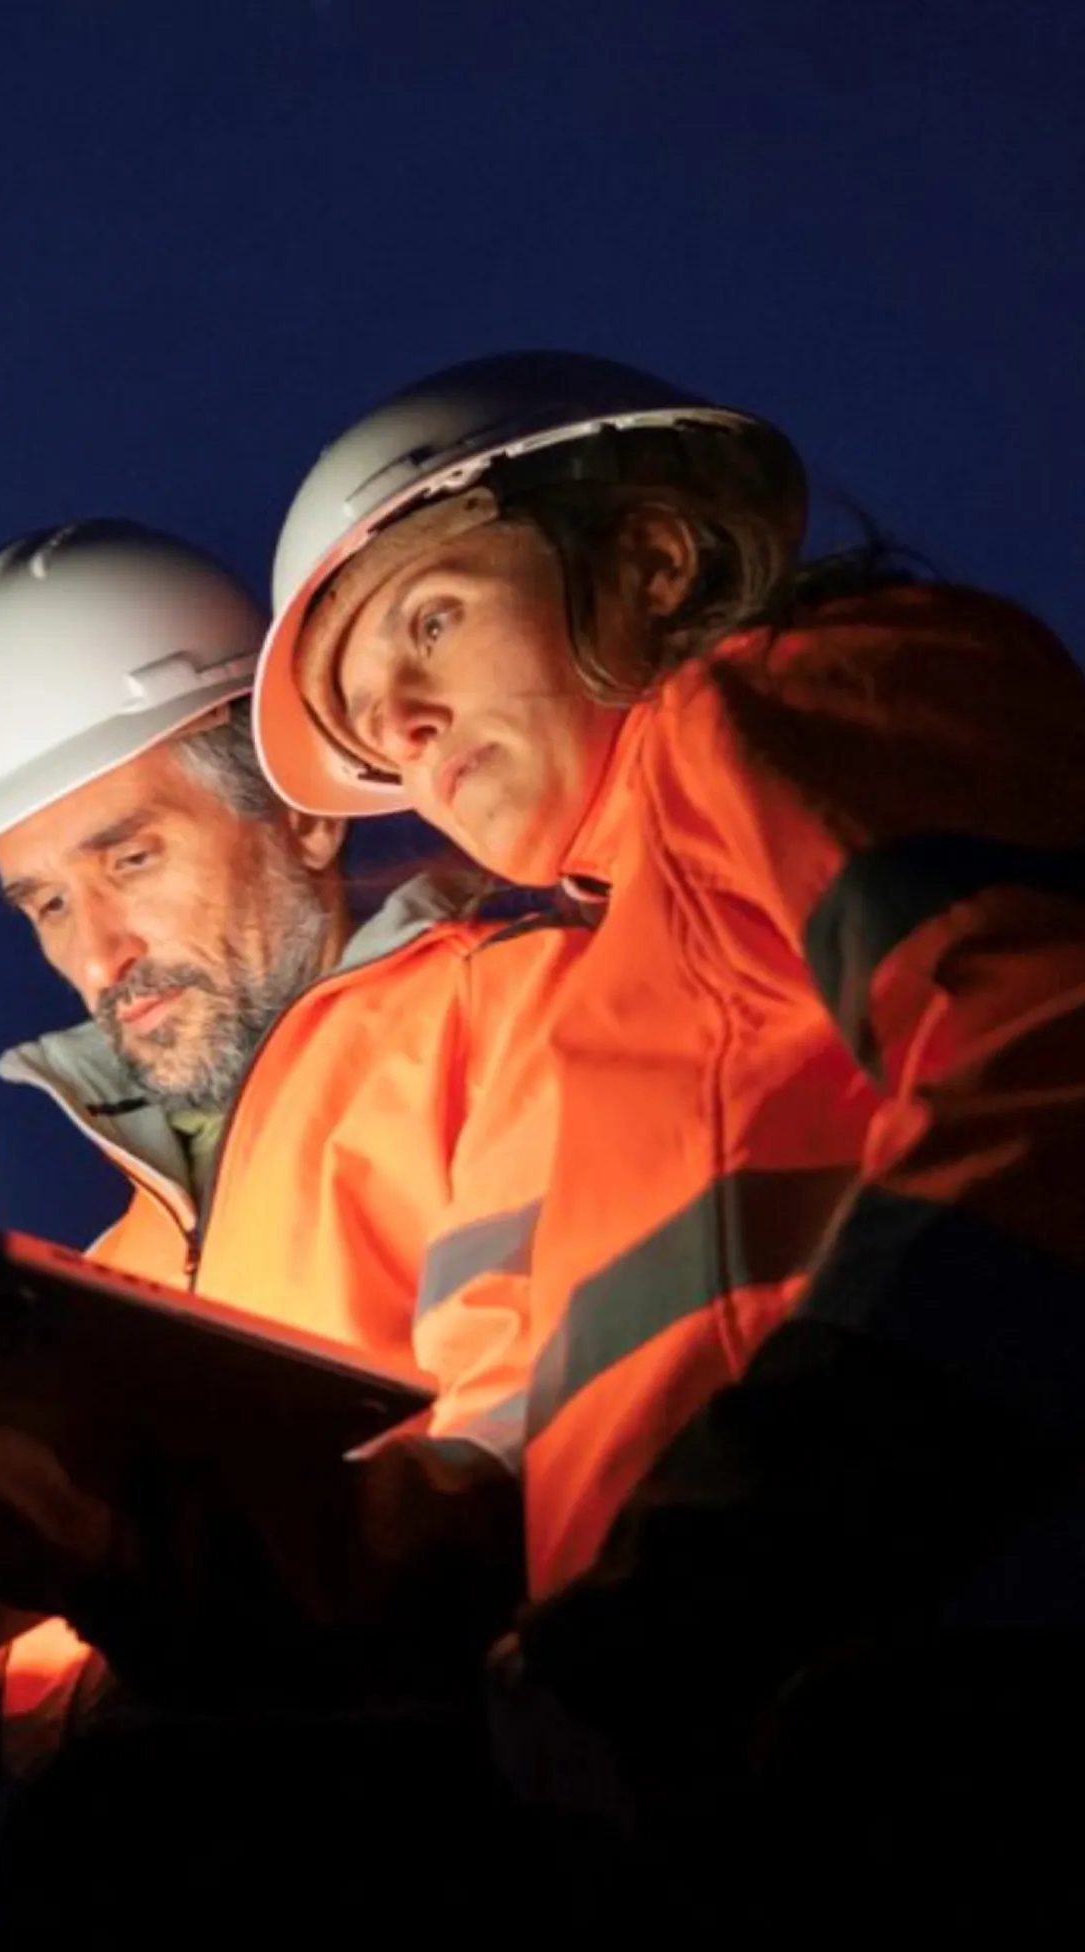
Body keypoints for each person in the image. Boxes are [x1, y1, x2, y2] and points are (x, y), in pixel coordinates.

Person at [0, 519, 579, 1941]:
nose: (95, 956)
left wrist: (119, 1551)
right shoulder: (102, 1287)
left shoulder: (520, 1021)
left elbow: (534, 1566)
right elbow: (38, 1846)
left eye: (128, 857)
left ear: (301, 811)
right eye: (45, 902)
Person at [249, 350, 1085, 1928]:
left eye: (429, 623)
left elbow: (1051, 1077)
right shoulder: (604, 976)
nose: (408, 728)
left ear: (652, 555)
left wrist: (711, 1583)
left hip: (963, 1717)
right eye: (370, 720)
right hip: (764, 1762)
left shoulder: (787, 694)